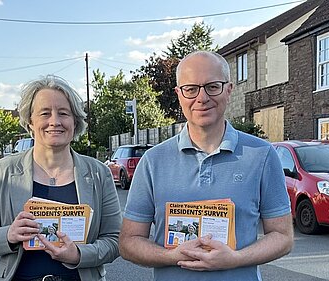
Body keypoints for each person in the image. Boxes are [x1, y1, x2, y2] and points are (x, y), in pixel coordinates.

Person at [119, 51, 293, 281]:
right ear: (179, 94)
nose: (201, 98)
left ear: (229, 90)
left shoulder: (262, 155)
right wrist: (173, 256)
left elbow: (282, 236)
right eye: (191, 88)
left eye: (213, 86)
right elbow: (129, 242)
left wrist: (236, 259)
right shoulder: (152, 161)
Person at [0, 75, 122, 281]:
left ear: (75, 122)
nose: (54, 121)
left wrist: (78, 255)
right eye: (45, 113)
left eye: (63, 113)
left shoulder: (98, 173)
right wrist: (8, 235)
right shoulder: (3, 171)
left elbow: (115, 240)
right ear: (30, 122)